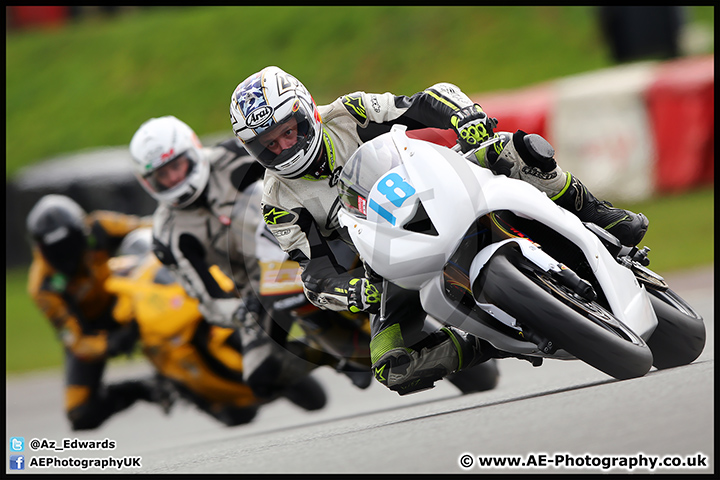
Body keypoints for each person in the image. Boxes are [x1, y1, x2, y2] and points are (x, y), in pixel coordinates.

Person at [228, 66, 649, 395]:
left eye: (289, 130)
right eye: (269, 143)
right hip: (391, 260)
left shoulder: (349, 111)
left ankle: (598, 215)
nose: (284, 146)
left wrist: (465, 117)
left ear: (308, 112)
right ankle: (488, 339)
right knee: (391, 365)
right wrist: (354, 290)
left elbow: (423, 101)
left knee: (513, 150)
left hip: (440, 183)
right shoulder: (277, 202)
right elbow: (314, 272)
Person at [128, 115, 355, 400]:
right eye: (162, 175)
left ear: (194, 150)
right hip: (258, 289)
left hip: (306, 240)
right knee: (261, 377)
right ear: (148, 181)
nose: (173, 179)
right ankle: (328, 356)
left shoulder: (236, 154)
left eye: (176, 166)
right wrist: (241, 310)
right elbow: (206, 296)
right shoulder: (166, 234)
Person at [26, 194, 171, 430]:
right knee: (80, 413)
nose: (66, 254)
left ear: (81, 231)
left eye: (69, 244)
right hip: (93, 329)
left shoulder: (100, 226)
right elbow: (76, 341)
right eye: (56, 250)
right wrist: (114, 343)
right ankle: (142, 389)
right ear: (41, 249)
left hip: (127, 298)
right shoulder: (42, 285)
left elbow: (153, 227)